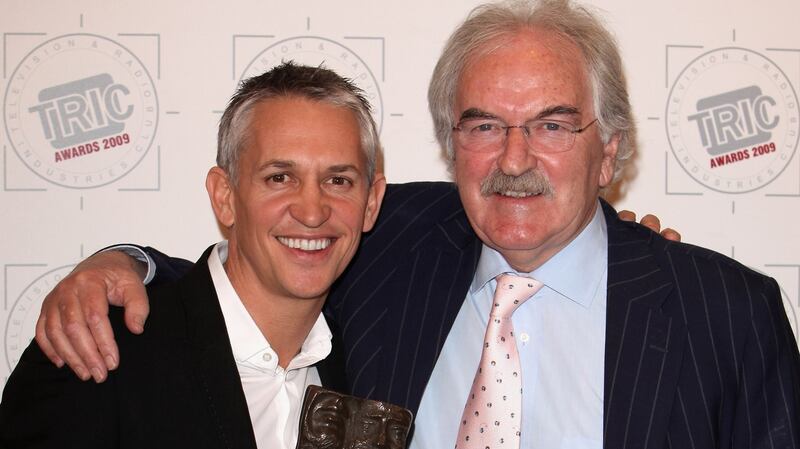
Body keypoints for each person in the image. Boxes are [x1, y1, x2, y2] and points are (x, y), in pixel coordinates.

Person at [31, 0, 800, 448]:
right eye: (483, 126)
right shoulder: (386, 239)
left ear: (610, 153)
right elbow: (266, 254)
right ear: (449, 143)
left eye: (555, 126)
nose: (515, 159)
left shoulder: (727, 315)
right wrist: (122, 260)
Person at [0, 62, 386, 449]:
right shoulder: (94, 350)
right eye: (279, 177)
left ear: (370, 203)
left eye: (339, 181)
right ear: (225, 197)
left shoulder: (362, 365)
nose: (312, 211)